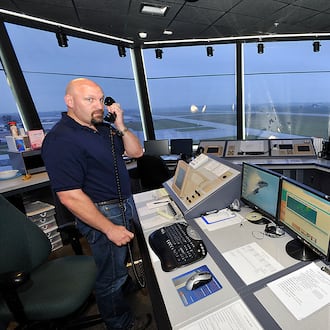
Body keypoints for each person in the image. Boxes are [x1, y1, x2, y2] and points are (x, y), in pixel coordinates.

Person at [42, 78, 151, 330]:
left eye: (101, 99)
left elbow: (136, 153)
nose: (98, 105)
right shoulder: (62, 139)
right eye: (89, 99)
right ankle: (121, 324)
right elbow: (69, 195)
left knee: (119, 266)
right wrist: (108, 228)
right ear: (69, 102)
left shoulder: (102, 128)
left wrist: (121, 124)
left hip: (123, 204)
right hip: (102, 213)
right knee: (111, 277)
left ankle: (125, 290)